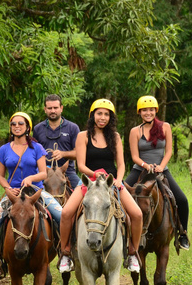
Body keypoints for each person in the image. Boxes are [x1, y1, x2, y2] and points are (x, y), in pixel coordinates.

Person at [58, 99, 143, 273]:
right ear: (93, 115)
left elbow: (121, 165)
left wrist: (119, 179)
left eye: (106, 114)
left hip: (111, 183)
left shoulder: (116, 137)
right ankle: (65, 253)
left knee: (137, 214)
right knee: (66, 213)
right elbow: (81, 165)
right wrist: (95, 174)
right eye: (99, 114)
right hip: (89, 182)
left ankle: (133, 252)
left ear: (110, 117)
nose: (102, 117)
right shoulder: (83, 136)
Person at [0, 112, 63, 278]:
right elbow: (0, 175)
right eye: (13, 124)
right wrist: (7, 187)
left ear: (27, 127)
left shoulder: (37, 148)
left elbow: (43, 173)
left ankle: (65, 253)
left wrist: (31, 178)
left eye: (20, 124)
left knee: (62, 215)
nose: (16, 126)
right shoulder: (4, 149)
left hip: (36, 192)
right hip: (13, 194)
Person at [125, 95, 190, 250]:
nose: (148, 113)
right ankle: (123, 234)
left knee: (182, 200)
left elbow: (168, 151)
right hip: (140, 169)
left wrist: (161, 166)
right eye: (145, 110)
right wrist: (145, 165)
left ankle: (183, 234)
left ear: (156, 111)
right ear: (139, 112)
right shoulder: (135, 131)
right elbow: (134, 156)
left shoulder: (165, 127)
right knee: (121, 194)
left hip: (161, 170)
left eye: (151, 110)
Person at [32, 94, 81, 187]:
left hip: (67, 172)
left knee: (83, 193)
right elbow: (34, 154)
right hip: (44, 173)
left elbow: (79, 154)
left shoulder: (73, 128)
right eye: (49, 108)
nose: (53, 111)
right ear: (45, 109)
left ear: (61, 108)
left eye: (55, 107)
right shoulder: (38, 129)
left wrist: (63, 154)